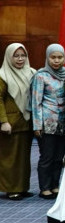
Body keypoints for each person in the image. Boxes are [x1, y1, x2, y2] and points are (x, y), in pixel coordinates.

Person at [30, 44, 65, 200]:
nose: (56, 61)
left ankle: (55, 185)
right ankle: (45, 187)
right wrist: (36, 125)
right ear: (47, 58)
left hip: (63, 123)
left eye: (60, 57)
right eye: (53, 57)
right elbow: (36, 102)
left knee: (59, 158)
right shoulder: (41, 76)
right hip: (46, 123)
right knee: (47, 157)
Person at [0, 43, 36, 201]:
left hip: (27, 122)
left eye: (23, 55)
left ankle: (22, 188)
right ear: (9, 57)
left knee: (23, 158)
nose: (20, 59)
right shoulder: (3, 75)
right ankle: (11, 189)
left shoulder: (32, 73)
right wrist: (3, 121)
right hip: (10, 124)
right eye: (16, 56)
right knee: (10, 158)